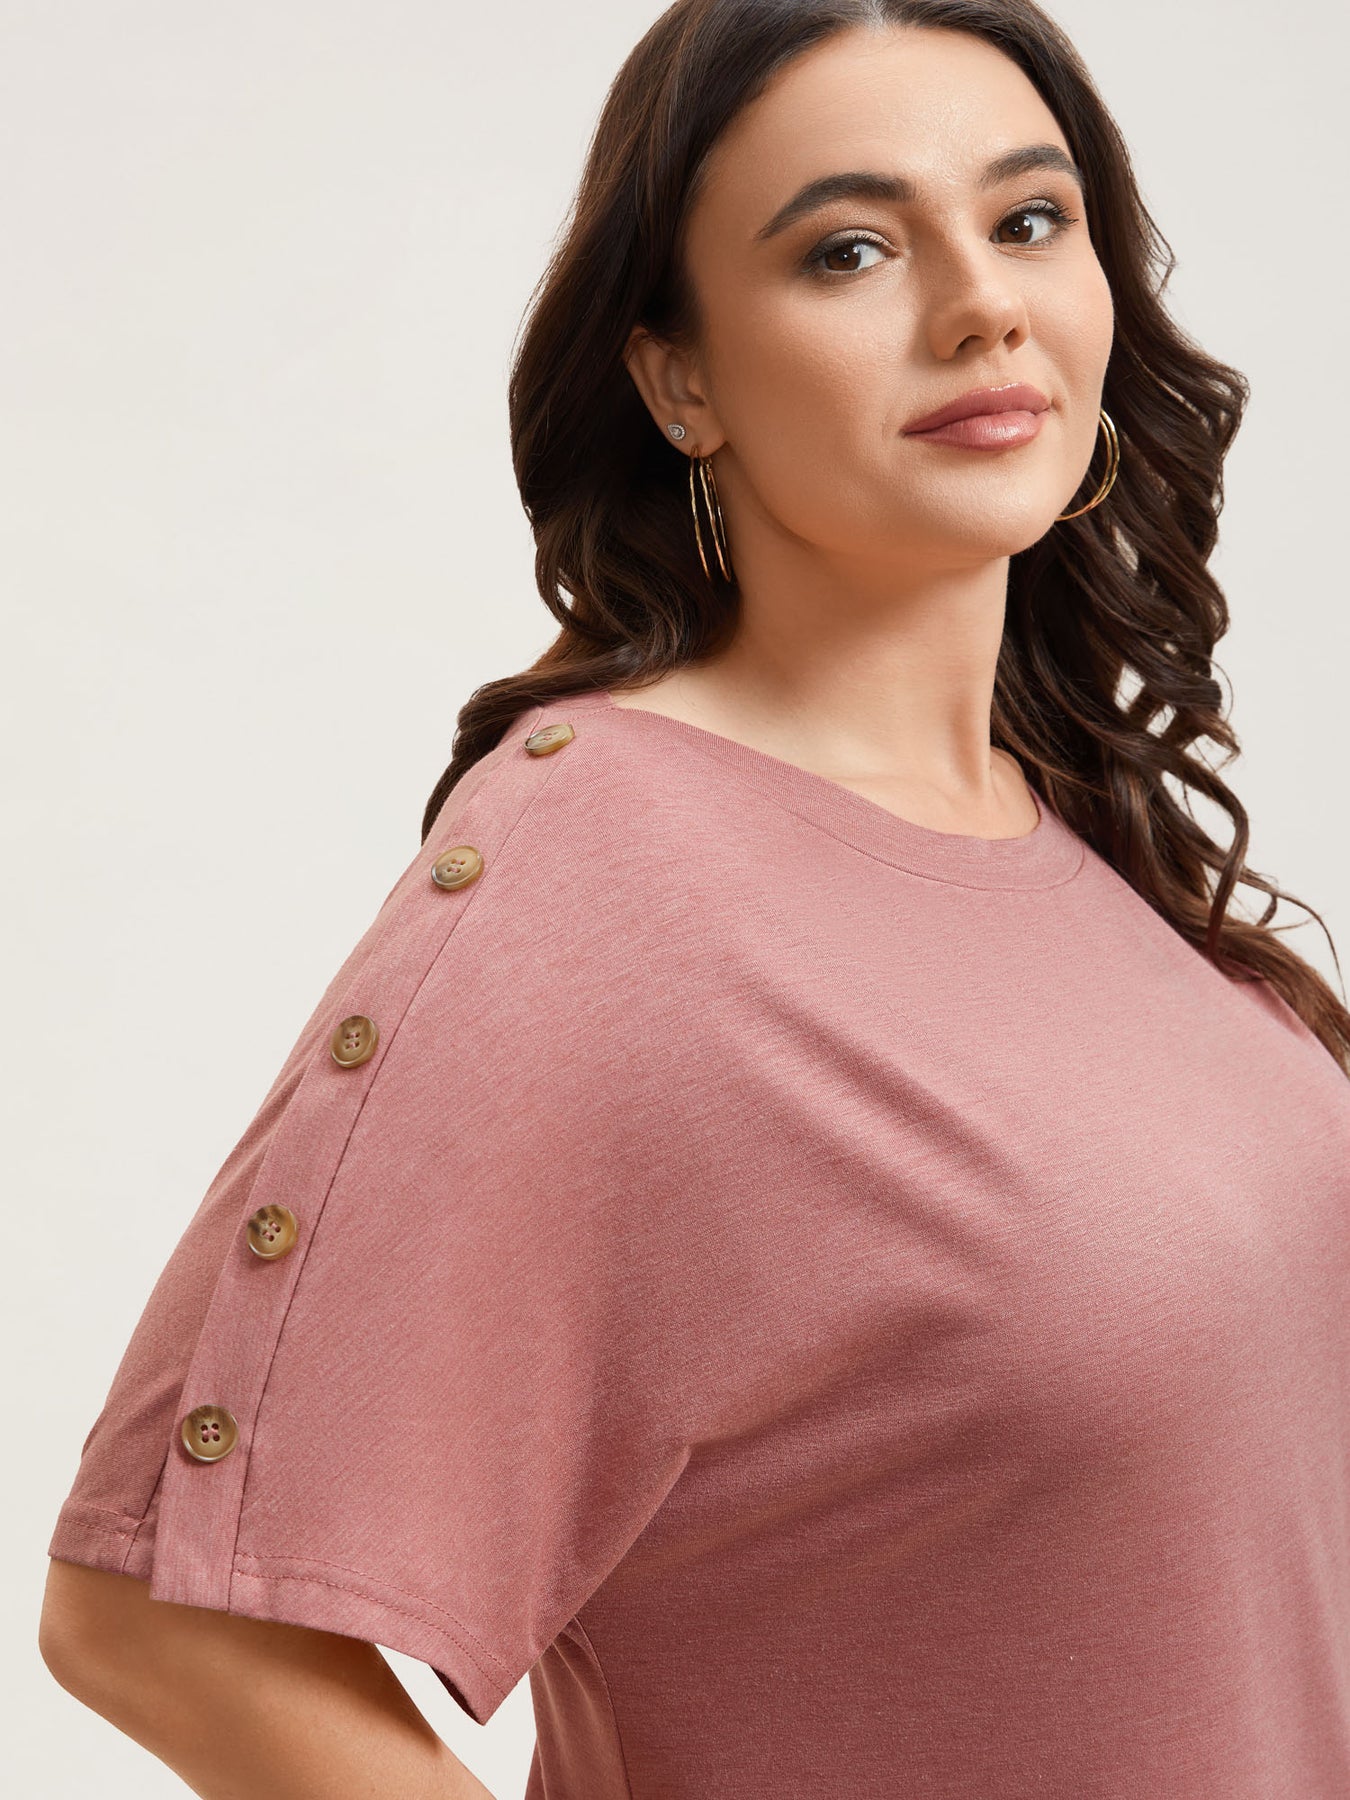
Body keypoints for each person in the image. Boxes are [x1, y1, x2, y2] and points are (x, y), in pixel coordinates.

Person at [39, 1, 1350, 1796]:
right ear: (680, 382)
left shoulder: (1076, 835)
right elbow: (157, 1628)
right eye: (849, 250)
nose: (980, 301)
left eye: (1028, 219)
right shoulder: (597, 881)